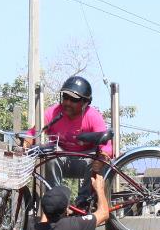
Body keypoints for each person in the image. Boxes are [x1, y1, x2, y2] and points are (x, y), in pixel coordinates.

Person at [25, 76, 111, 210]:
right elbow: (33, 133)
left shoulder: (93, 116)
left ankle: (83, 203)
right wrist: (25, 145)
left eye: (74, 100)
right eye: (65, 97)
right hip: (62, 159)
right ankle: (55, 203)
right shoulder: (54, 112)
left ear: (85, 102)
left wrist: (103, 157)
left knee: (97, 161)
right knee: (50, 157)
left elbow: (106, 144)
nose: (67, 103)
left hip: (86, 160)